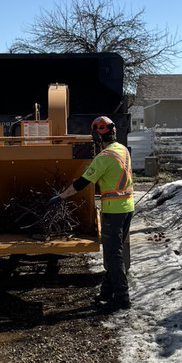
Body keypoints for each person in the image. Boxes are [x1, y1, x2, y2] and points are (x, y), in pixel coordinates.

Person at [55, 115, 134, 312]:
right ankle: (107, 292)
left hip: (114, 211)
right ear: (114, 133)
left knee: (113, 256)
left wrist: (61, 197)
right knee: (114, 253)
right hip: (127, 208)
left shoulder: (103, 158)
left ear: (97, 138)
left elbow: (82, 183)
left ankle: (122, 298)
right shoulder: (123, 150)